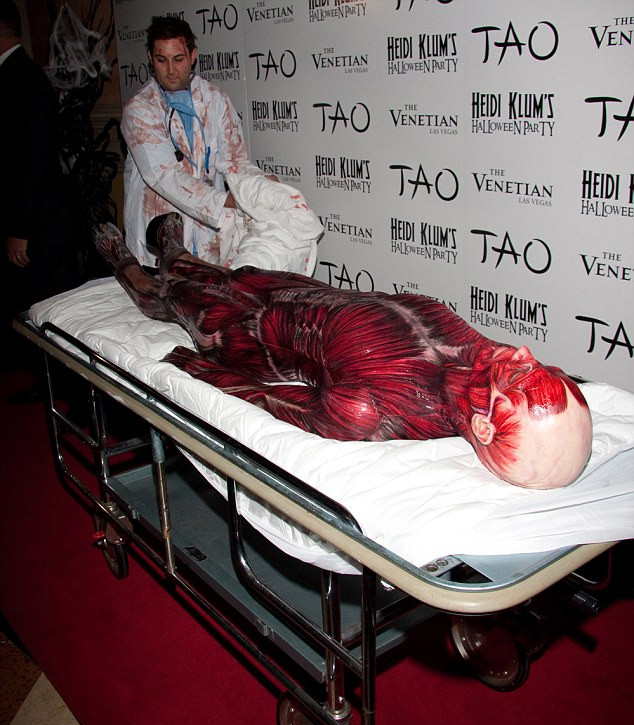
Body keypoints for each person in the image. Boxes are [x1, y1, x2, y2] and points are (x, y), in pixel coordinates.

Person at [93, 216, 594, 490]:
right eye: (538, 365)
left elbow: (269, 400)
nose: (522, 352)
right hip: (309, 295)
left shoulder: (372, 410)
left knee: (170, 297)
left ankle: (125, 262)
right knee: (226, 275)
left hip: (253, 335)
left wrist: (201, 369)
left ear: (483, 427)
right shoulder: (477, 351)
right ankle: (173, 250)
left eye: (519, 375)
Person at [121, 16, 271, 269]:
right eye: (162, 60)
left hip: (205, 236)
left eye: (178, 59)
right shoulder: (139, 109)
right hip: (157, 229)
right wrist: (223, 202)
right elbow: (164, 176)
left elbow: (235, 161)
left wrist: (257, 185)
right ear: (150, 58)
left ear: (193, 56)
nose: (171, 70)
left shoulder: (215, 99)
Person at [0, 0, 80, 393]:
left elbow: (33, 162)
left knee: (47, 306)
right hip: (37, 218)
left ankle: (57, 384)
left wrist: (19, 229)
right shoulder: (18, 75)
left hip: (39, 223)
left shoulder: (24, 79)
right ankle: (47, 380)